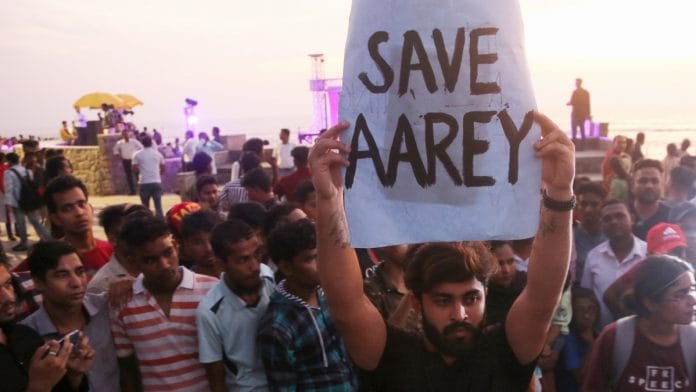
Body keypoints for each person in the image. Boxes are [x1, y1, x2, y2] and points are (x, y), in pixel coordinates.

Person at [308, 114, 574, 390]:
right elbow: (345, 302)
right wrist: (329, 200)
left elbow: (544, 295)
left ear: (486, 294)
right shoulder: (391, 357)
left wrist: (560, 190)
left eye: (471, 298)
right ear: (416, 303)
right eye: (443, 301)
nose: (459, 314)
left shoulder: (507, 352)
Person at [111, 214, 218, 391]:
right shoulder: (122, 302)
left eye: (168, 253)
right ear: (132, 261)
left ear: (176, 246)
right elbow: (128, 367)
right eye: (150, 259)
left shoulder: (211, 289)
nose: (164, 265)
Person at [258, 219, 357, 391]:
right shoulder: (277, 326)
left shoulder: (329, 293)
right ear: (287, 267)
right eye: (311, 258)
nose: (321, 263)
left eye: (321, 255)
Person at [582, 256, 696, 390]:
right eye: (679, 295)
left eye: (691, 290)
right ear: (651, 303)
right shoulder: (615, 337)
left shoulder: (693, 340)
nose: (692, 301)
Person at [21, 241, 119, 391]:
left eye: (80, 272)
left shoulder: (108, 307)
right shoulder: (26, 334)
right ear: (38, 283)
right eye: (62, 275)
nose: (76, 282)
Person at [196, 219, 276, 391]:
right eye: (243, 260)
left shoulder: (268, 278)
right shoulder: (210, 311)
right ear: (221, 264)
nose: (254, 266)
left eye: (257, 255)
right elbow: (215, 373)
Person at [0, 261, 94, 392]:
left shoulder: (24, 334)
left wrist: (73, 376)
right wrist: (39, 387)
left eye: (8, 284)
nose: (9, 297)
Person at [581, 200, 647, 328]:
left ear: (632, 219)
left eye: (620, 216)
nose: (614, 222)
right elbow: (586, 296)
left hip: (641, 333)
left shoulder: (648, 254)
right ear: (601, 224)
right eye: (607, 219)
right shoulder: (593, 256)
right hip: (601, 333)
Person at [602, 222, 688, 319]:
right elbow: (609, 295)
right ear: (650, 256)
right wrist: (631, 320)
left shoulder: (687, 270)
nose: (676, 257)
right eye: (667, 254)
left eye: (679, 251)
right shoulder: (643, 269)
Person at [87, 203, 150, 294]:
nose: (144, 237)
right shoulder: (101, 286)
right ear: (113, 239)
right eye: (133, 232)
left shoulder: (160, 268)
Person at [554, 286, 599, 392]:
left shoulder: (598, 334)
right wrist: (592, 345)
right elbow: (581, 378)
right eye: (580, 310)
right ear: (571, 312)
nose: (587, 315)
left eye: (591, 309)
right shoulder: (568, 339)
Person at [3, 152, 51, 252]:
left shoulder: (8, 173)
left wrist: (8, 203)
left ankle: (23, 243)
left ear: (9, 161)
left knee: (21, 223)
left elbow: (9, 189)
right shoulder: (26, 170)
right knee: (35, 221)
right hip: (29, 200)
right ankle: (47, 238)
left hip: (18, 201)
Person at [485, 241, 527, 326]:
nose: (506, 270)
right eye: (499, 263)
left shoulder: (526, 284)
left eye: (510, 261)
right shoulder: (482, 294)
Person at [573, 182, 607, 284]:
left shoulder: (612, 235)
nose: (588, 209)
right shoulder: (569, 238)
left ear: (603, 206)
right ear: (577, 206)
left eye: (594, 204)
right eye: (584, 204)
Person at [631, 159, 670, 240]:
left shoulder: (671, 216)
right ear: (632, 185)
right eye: (643, 181)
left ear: (662, 185)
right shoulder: (620, 216)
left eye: (655, 181)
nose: (649, 186)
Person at [178, 209, 224, 277]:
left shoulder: (239, 275)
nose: (208, 249)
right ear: (185, 244)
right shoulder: (186, 285)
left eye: (212, 239)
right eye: (198, 242)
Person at [132, 135, 165, 217]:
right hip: (156, 182)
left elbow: (134, 169)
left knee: (145, 207)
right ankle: (161, 223)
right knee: (158, 206)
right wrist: (157, 174)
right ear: (151, 143)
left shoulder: (137, 154)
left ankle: (147, 224)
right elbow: (163, 168)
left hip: (144, 182)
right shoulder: (158, 154)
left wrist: (142, 171)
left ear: (142, 143)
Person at [113, 130, 143, 195]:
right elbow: (115, 151)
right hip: (126, 160)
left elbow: (141, 147)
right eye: (124, 135)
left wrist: (137, 154)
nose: (126, 136)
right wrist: (120, 156)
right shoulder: (120, 143)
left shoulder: (134, 141)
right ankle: (132, 191)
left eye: (127, 134)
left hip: (134, 160)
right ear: (122, 136)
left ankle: (141, 190)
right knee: (129, 176)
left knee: (137, 175)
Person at [566, 78, 591, 143]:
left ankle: (575, 146)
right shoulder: (586, 92)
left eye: (576, 83)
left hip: (575, 114)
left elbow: (572, 102)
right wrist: (588, 114)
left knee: (574, 130)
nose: (576, 84)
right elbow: (588, 104)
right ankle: (583, 145)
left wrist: (568, 103)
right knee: (582, 129)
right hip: (583, 114)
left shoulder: (575, 92)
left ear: (579, 83)